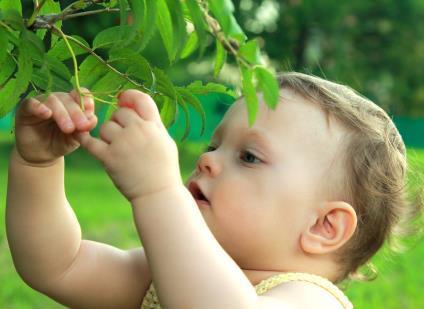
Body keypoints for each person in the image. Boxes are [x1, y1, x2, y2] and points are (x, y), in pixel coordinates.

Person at [6, 72, 418, 308]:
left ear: (324, 226)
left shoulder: (311, 300)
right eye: (214, 145)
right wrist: (38, 165)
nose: (207, 160)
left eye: (249, 157)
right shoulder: (161, 276)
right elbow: (60, 265)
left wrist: (158, 192)